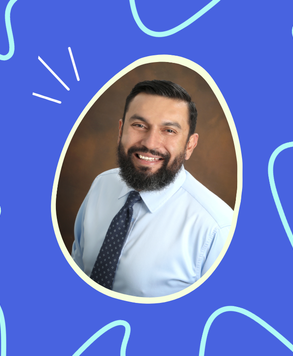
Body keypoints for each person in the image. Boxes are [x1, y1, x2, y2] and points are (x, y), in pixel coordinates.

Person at [72, 80, 233, 298]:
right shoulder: (101, 185)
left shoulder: (218, 229)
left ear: (190, 145)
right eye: (139, 125)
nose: (150, 142)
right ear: (121, 130)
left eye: (169, 130)